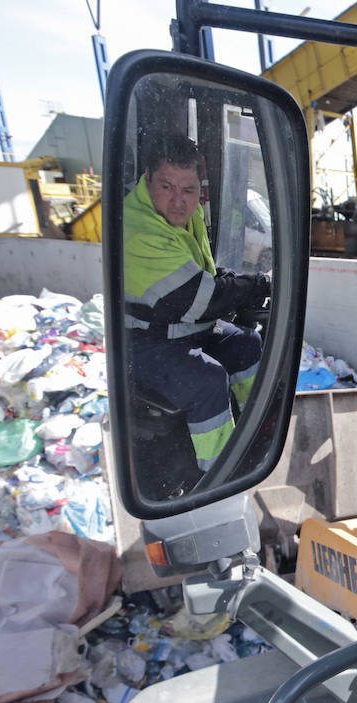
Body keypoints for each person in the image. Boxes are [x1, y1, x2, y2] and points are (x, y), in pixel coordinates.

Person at [122, 132, 271, 475]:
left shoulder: (186, 216)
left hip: (183, 329)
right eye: (167, 186)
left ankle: (255, 432)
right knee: (207, 379)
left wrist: (238, 281)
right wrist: (254, 286)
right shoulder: (139, 226)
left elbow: (202, 273)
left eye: (188, 190)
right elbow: (198, 299)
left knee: (246, 341)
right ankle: (217, 472)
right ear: (148, 180)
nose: (179, 201)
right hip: (144, 342)